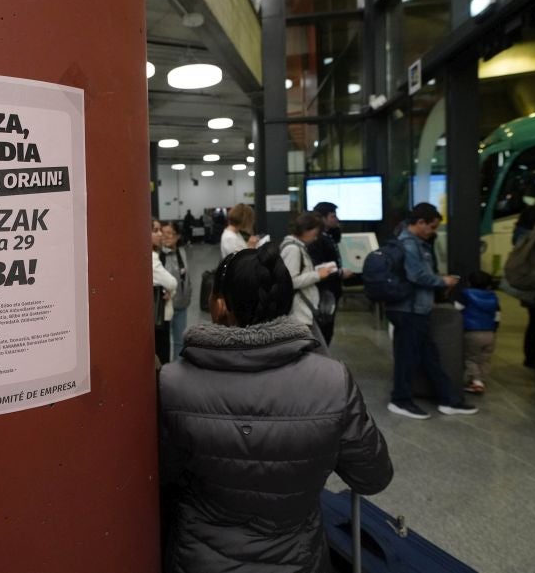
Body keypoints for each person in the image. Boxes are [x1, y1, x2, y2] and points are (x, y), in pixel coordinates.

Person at [159, 244, 393, 573]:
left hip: (200, 557)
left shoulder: (173, 382)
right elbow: (373, 476)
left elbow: (159, 475)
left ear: (220, 305)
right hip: (298, 559)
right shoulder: (331, 380)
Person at [386, 203, 478, 419]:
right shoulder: (409, 244)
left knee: (429, 356)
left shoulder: (416, 243)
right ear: (420, 223)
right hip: (409, 310)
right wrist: (442, 281)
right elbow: (417, 275)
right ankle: (400, 400)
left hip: (416, 309)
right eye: (432, 227)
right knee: (408, 358)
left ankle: (448, 399)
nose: (433, 232)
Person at [280, 212, 336, 353]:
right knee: (317, 355)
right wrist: (318, 274)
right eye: (315, 232)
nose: (316, 237)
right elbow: (290, 281)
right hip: (300, 313)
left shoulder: (295, 247)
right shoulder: (293, 249)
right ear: (305, 230)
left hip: (303, 313)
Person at [307, 201, 354, 346]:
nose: (337, 219)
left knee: (328, 330)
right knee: (324, 331)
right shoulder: (317, 240)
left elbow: (337, 238)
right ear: (322, 218)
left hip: (332, 289)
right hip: (324, 291)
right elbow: (317, 267)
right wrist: (339, 273)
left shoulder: (328, 236)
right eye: (333, 216)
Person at [512, 205, 535, 368]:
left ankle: (531, 356)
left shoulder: (519, 233)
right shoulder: (533, 235)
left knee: (534, 320)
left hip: (527, 282)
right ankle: (534, 357)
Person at [455, 271, 500, 394]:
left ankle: (476, 382)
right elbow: (497, 317)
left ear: (469, 282)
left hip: (472, 332)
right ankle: (482, 380)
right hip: (490, 333)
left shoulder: (466, 294)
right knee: (485, 359)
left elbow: (456, 309)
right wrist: (494, 330)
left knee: (471, 358)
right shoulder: (493, 297)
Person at [160, 221, 191, 361]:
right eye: (163, 233)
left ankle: (176, 373)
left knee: (180, 342)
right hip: (164, 307)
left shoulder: (181, 252)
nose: (165, 237)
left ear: (177, 236)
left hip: (181, 304)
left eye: (169, 233)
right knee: (163, 344)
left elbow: (185, 276)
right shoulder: (157, 255)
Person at [152, 219, 177, 365]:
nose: (160, 234)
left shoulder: (158, 253)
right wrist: (170, 290)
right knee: (162, 359)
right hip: (159, 318)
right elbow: (172, 282)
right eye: (155, 231)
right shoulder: (151, 258)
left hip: (160, 316)